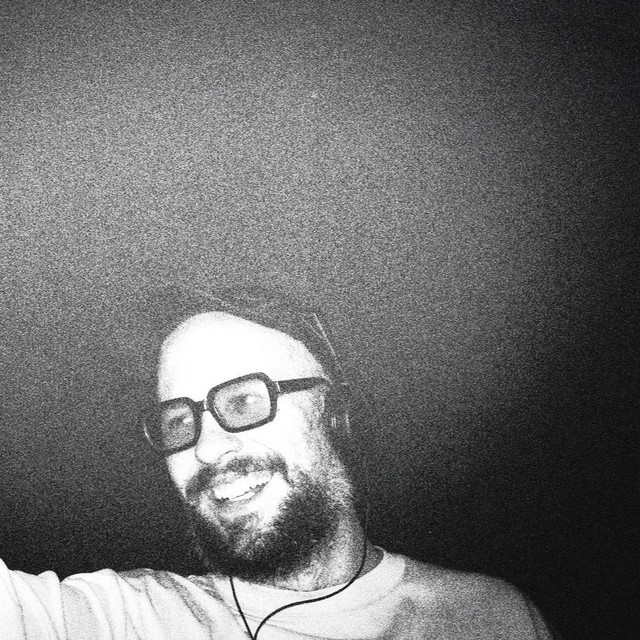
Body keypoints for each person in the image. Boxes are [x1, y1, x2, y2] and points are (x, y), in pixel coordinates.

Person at [0, 287, 556, 639]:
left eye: (243, 402)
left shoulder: (493, 617)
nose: (206, 449)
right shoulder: (129, 619)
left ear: (337, 417)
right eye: (178, 422)